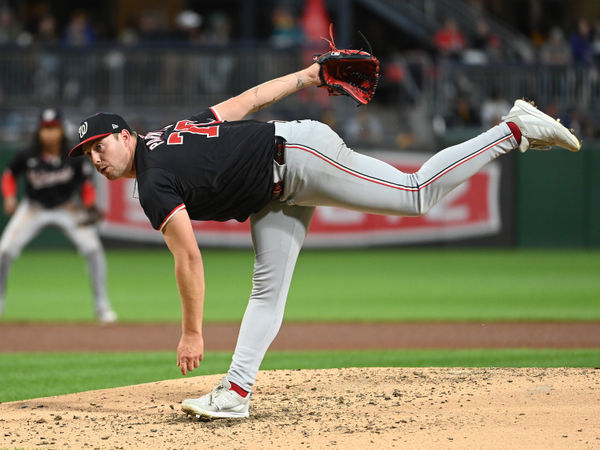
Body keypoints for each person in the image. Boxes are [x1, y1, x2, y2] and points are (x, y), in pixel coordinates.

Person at [68, 61, 580, 419]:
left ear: (125, 133)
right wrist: (306, 77)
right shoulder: (166, 136)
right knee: (266, 293)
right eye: (87, 151)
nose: (95, 157)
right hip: (276, 188)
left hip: (298, 157)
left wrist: (192, 333)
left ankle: (513, 129)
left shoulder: (153, 181)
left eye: (99, 143)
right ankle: (236, 394)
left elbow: (189, 259)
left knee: (415, 193)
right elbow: (243, 102)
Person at [0, 108, 116, 323]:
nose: (49, 133)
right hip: (33, 208)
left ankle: (102, 306)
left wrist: (89, 204)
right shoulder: (28, 153)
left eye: (53, 128)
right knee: (4, 250)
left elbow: (87, 185)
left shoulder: (74, 155)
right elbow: (9, 176)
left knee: (93, 249)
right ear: (39, 131)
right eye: (45, 129)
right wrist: (9, 197)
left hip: (67, 208)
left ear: (62, 130)